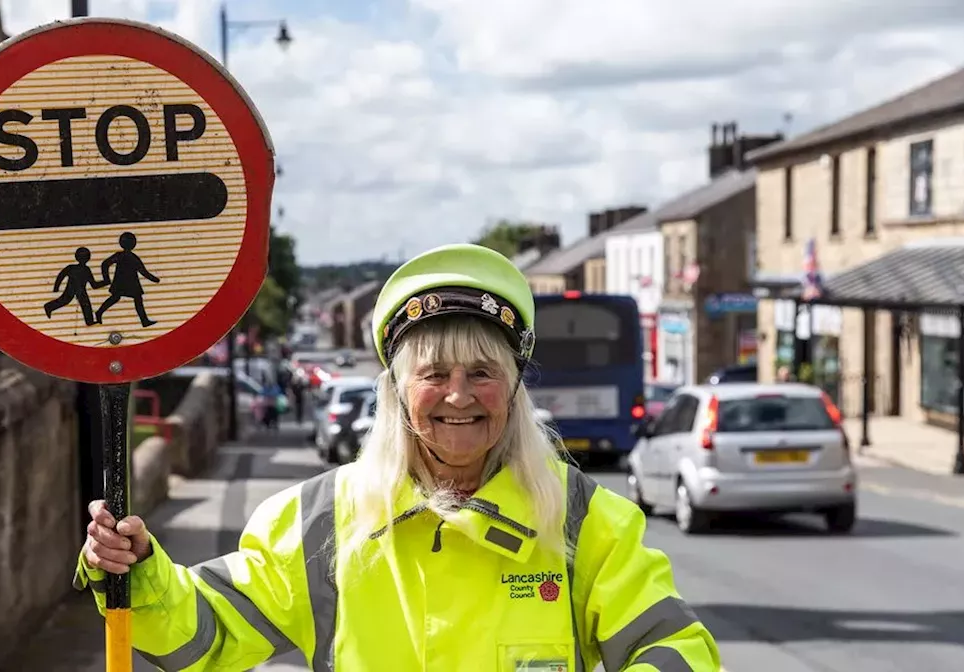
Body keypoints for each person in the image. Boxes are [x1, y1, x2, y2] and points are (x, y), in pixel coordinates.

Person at [75, 243, 721, 671]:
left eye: (482, 372)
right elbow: (205, 633)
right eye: (434, 373)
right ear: (398, 391)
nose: (459, 396)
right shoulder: (322, 521)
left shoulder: (587, 523)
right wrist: (138, 572)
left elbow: (677, 649)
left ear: (515, 390)